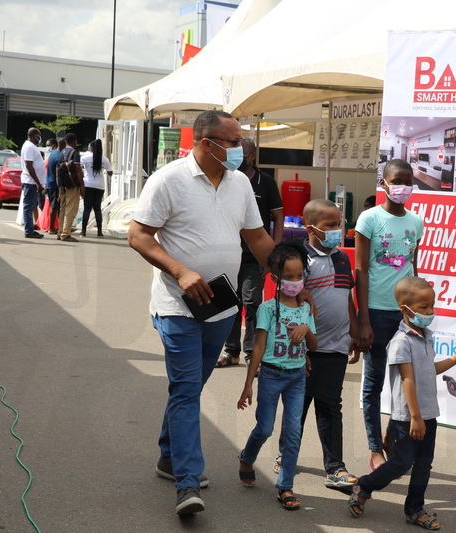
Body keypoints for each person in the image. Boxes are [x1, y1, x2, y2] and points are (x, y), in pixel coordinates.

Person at [128, 110, 274, 516]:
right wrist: (180, 270)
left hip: (221, 308)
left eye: (240, 141)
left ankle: (168, 457)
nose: (239, 149)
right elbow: (138, 234)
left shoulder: (240, 183)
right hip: (176, 305)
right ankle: (188, 483)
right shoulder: (168, 180)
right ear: (206, 143)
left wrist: (290, 278)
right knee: (188, 389)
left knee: (187, 388)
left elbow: (257, 236)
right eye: (231, 142)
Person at [348, 276, 456, 529]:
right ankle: (365, 485)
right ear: (405, 310)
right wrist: (415, 417)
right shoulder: (401, 342)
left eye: (432, 305)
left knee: (424, 463)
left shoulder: (425, 335)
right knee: (402, 463)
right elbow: (408, 381)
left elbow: (429, 370)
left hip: (428, 413)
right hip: (408, 417)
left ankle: (414, 508)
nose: (430, 311)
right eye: (424, 307)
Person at [271, 199, 359, 488]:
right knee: (298, 406)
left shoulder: (343, 257)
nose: (338, 229)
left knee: (331, 406)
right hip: (304, 349)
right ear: (311, 228)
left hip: (336, 348)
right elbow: (287, 297)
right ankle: (286, 455)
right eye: (330, 225)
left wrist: (355, 331)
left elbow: (347, 298)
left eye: (340, 223)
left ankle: (336, 467)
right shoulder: (300, 260)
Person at [237, 241, 317, 511]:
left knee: (293, 433)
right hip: (270, 375)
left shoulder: (306, 306)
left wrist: (307, 328)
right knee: (265, 428)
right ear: (275, 279)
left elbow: (315, 345)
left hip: (297, 376)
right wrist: (249, 384)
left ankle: (285, 487)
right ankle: (247, 457)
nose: (295, 281)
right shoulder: (267, 309)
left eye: (299, 276)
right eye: (289, 277)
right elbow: (258, 346)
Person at [355, 158, 424, 471]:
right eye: (397, 181)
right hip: (377, 313)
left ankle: (391, 438)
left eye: (408, 181)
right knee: (374, 382)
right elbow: (361, 268)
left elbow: (414, 268)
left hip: (404, 316)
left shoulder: (416, 222)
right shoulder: (369, 219)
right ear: (383, 183)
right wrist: (363, 319)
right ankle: (374, 448)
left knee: (406, 381)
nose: (403, 187)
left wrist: (418, 312)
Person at [216, 138, 284, 367]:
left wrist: (272, 256)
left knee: (252, 304)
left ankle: (251, 353)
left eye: (241, 153)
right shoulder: (226, 179)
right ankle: (231, 351)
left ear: (252, 155)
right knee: (230, 304)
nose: (236, 156)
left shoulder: (266, 182)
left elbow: (278, 217)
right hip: (227, 255)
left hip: (254, 257)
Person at [80, 139, 113, 237]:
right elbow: (110, 173)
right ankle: (99, 231)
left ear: (91, 148)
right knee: (97, 208)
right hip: (100, 186)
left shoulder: (85, 158)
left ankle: (83, 231)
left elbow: (78, 167)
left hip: (88, 185)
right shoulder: (105, 159)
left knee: (87, 208)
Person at [57, 133, 84, 243]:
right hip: (72, 185)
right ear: (74, 141)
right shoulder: (74, 153)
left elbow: (57, 171)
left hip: (62, 185)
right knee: (71, 209)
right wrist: (82, 185)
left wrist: (59, 186)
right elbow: (78, 170)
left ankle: (60, 231)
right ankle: (66, 234)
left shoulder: (61, 153)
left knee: (63, 208)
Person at [20, 128, 45, 239]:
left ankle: (30, 229)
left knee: (30, 207)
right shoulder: (29, 147)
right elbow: (29, 165)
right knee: (28, 207)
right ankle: (29, 231)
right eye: (39, 136)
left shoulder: (30, 146)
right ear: (35, 136)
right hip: (30, 182)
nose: (40, 138)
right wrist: (38, 183)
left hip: (32, 182)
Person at [44, 138, 65, 235]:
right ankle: (51, 228)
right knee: (54, 206)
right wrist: (60, 187)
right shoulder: (58, 155)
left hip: (50, 183)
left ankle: (57, 226)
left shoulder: (53, 154)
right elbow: (58, 173)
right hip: (54, 184)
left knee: (56, 206)